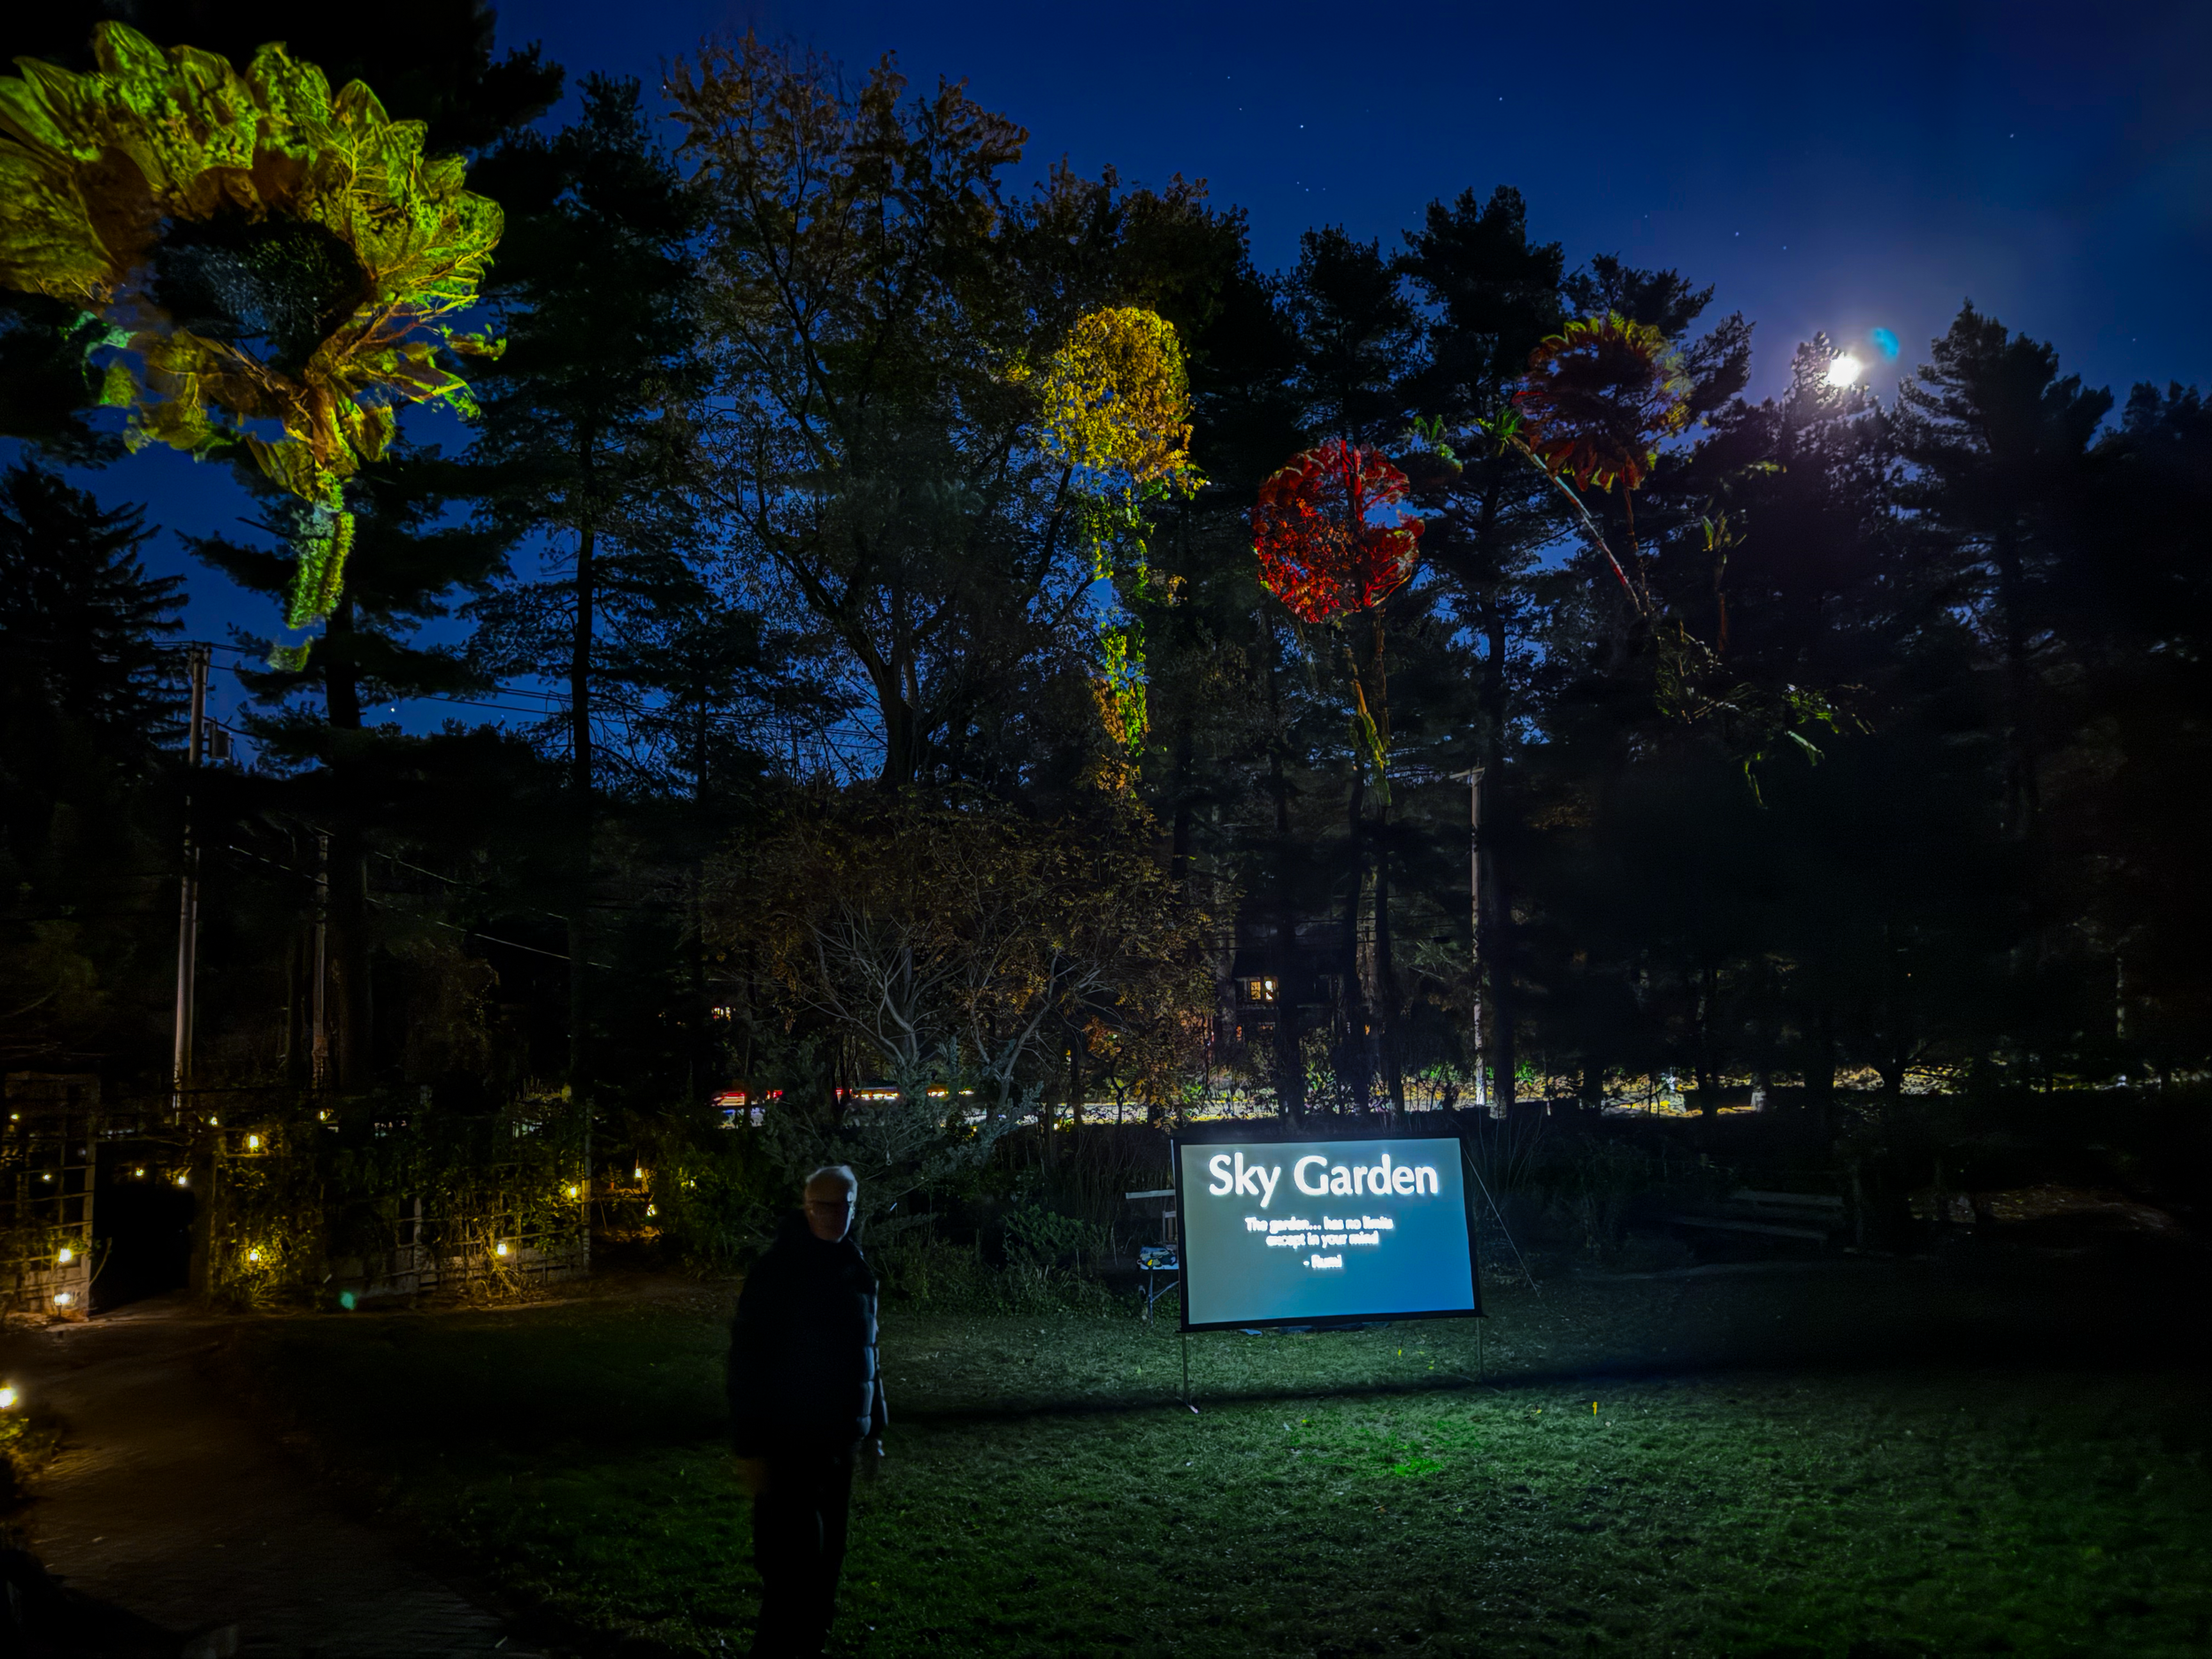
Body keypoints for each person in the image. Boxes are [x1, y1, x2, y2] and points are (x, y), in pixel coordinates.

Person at [728, 1164, 887, 1659]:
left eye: (844, 1205)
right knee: (791, 1576)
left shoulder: (853, 1267)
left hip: (837, 1444)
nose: (833, 1215)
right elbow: (747, 1363)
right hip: (789, 1444)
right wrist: (752, 1448)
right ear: (805, 1205)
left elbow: (867, 1354)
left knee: (824, 1574)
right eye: (823, 1205)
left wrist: (874, 1429)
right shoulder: (779, 1272)